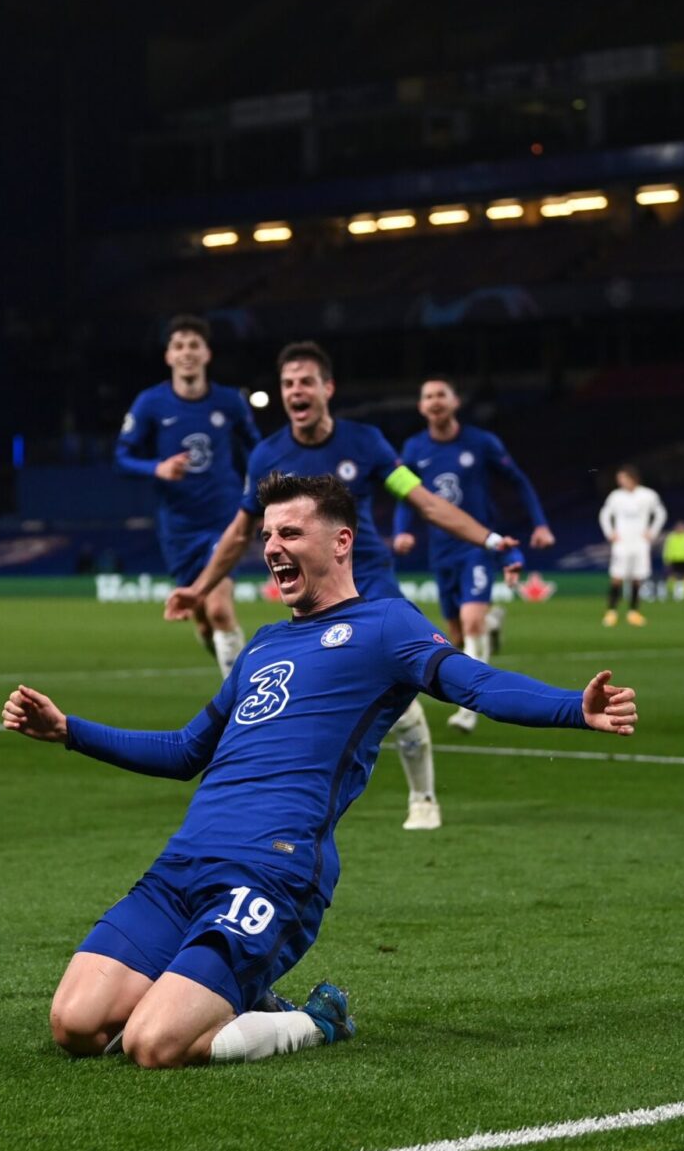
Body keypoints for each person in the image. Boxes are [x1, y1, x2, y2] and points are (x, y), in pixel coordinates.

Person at [5, 472, 637, 1069]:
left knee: (153, 1045)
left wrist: (572, 709)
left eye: (290, 534)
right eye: (268, 537)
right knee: (76, 1026)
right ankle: (229, 993)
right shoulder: (264, 645)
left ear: (340, 542)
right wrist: (68, 730)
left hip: (273, 871)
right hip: (183, 866)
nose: (273, 548)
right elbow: (184, 752)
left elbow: (476, 684)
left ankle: (315, 1020)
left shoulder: (386, 624)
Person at [165, 342, 519, 832]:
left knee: (404, 704)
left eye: (305, 381)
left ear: (327, 388)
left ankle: (424, 799)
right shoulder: (268, 454)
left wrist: (491, 538)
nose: (295, 391)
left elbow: (424, 501)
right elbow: (240, 530)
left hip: (370, 586)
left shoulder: (367, 443)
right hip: (310, 598)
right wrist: (201, 588)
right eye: (287, 383)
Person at [389, 377, 553, 732]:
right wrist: (402, 529)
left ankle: (470, 706)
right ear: (421, 406)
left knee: (470, 621)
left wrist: (539, 524)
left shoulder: (480, 443)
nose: (434, 401)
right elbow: (407, 495)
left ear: (455, 401)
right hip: (441, 550)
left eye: (440, 395)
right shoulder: (415, 447)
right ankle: (492, 621)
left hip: (477, 546)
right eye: (427, 396)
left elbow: (519, 481)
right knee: (457, 635)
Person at [115, 314, 262, 679]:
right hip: (178, 526)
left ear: (207, 353)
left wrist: (261, 495)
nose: (187, 353)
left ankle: (243, 702)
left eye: (194, 345)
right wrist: (157, 468)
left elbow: (257, 449)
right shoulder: (150, 403)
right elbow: (121, 456)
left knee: (218, 609)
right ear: (168, 356)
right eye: (179, 346)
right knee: (203, 622)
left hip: (224, 520)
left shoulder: (230, 402)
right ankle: (236, 679)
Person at [598, 465, 666, 627]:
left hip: (640, 543)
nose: (620, 481)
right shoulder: (616, 496)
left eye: (622, 478)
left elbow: (661, 513)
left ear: (632, 478)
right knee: (617, 577)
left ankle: (633, 612)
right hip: (621, 542)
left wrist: (652, 532)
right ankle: (611, 611)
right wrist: (610, 533)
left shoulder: (648, 495)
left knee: (637, 578)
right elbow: (605, 514)